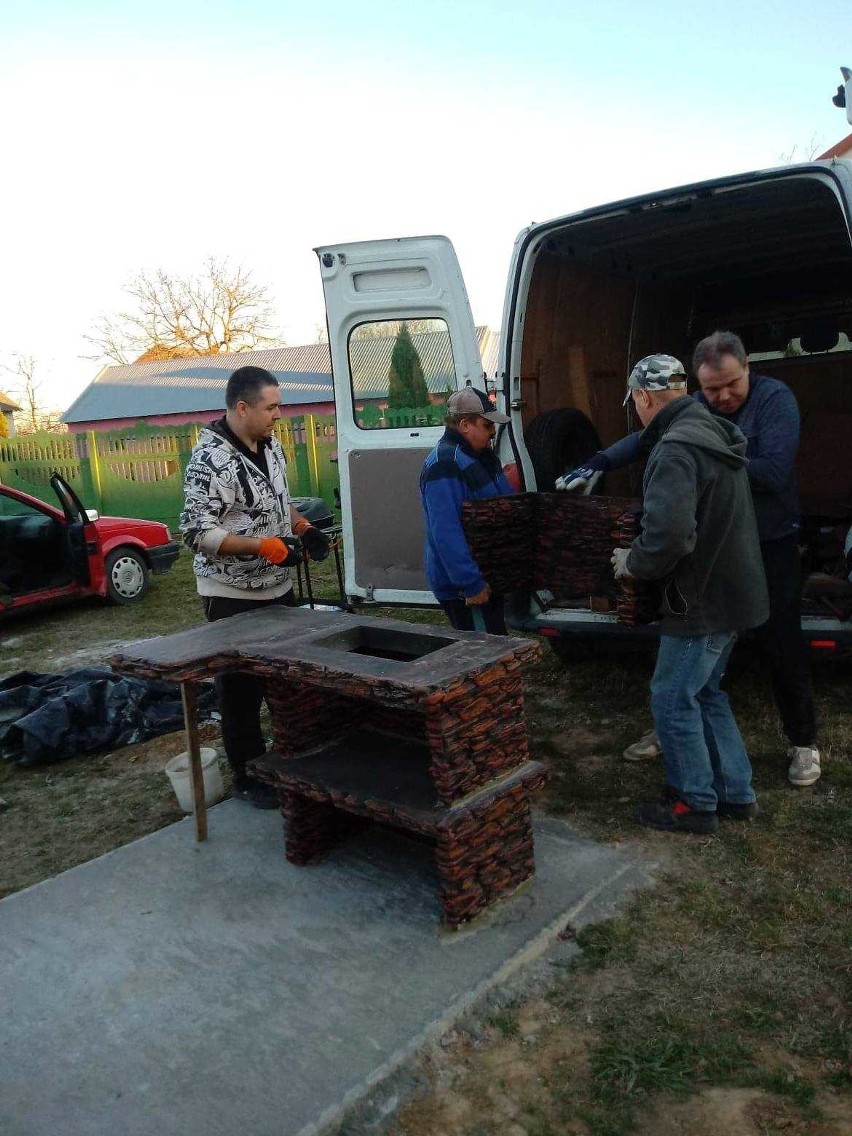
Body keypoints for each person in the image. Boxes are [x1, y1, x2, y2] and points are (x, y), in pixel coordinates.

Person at [562, 331, 821, 788]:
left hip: (767, 538)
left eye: (730, 386)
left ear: (747, 370)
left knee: (781, 643)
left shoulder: (769, 403)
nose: (721, 396)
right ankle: (680, 729)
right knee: (703, 665)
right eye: (710, 389)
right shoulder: (695, 418)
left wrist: (707, 462)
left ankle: (802, 741)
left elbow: (776, 471)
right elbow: (647, 437)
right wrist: (599, 461)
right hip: (713, 544)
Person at [610, 354, 769, 833]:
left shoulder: (676, 448)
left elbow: (671, 534)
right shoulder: (711, 431)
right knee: (707, 693)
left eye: (634, 402)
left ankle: (694, 803)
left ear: (644, 396)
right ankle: (735, 794)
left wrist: (632, 563)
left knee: (672, 699)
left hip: (700, 600)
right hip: (734, 593)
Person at [180, 366, 330, 808]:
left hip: (277, 587)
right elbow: (194, 533)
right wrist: (261, 547)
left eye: (278, 406)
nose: (278, 415)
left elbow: (279, 506)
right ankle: (247, 775)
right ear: (241, 408)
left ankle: (282, 758)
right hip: (230, 595)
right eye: (271, 407)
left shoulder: (272, 447)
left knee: (280, 680)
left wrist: (302, 529)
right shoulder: (208, 462)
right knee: (241, 691)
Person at [420, 387, 513, 633]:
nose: (493, 432)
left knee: (497, 646)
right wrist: (470, 583)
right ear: (464, 425)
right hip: (466, 588)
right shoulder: (445, 465)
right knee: (483, 658)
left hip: (487, 577)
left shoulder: (482, 458)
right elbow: (446, 531)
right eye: (486, 425)